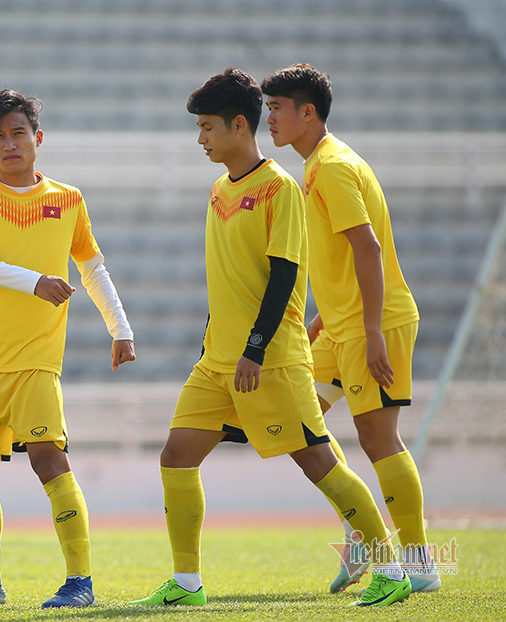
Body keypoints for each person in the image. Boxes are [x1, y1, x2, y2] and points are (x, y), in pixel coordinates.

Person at [128, 68, 411, 609]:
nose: (200, 138)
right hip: (217, 361)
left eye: (208, 127)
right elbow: (228, 275)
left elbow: (285, 275)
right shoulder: (217, 190)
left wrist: (255, 348)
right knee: (176, 456)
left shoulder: (280, 186)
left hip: (271, 359)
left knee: (318, 463)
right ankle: (187, 584)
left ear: (239, 125)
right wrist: (217, 342)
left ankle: (391, 568)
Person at [0, 88, 135, 609]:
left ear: (38, 137)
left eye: (18, 132)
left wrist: (121, 328)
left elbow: (91, 267)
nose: (9, 143)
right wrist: (35, 281)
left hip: (35, 361)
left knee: (49, 458)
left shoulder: (68, 199)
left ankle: (79, 581)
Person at [260, 63, 438, 594]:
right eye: (266, 109)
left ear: (307, 112)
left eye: (276, 109)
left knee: (378, 438)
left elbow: (368, 248)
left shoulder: (333, 167)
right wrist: (321, 322)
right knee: (302, 421)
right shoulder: (317, 165)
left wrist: (372, 329)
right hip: (342, 328)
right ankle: (363, 533)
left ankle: (421, 564)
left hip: (371, 325)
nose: (268, 119)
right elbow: (342, 260)